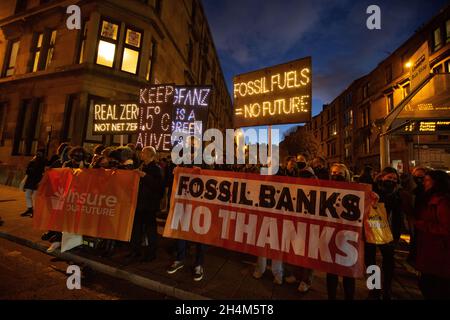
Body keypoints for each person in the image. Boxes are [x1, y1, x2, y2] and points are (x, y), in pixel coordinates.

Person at [365, 167, 404, 300]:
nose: (392, 181)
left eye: (394, 179)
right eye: (389, 178)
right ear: (382, 177)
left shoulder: (397, 195)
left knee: (388, 262)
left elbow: (398, 218)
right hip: (370, 231)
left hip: (387, 234)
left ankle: (387, 289)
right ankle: (374, 289)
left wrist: (396, 237)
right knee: (371, 262)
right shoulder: (370, 190)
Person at [415, 170, 450, 299]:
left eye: (427, 180)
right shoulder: (429, 198)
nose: (424, 182)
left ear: (437, 183)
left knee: (434, 287)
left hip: (439, 253)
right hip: (431, 251)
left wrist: (422, 225)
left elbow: (446, 228)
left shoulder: (442, 202)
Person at [127, 146, 163, 263]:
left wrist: (144, 176)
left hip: (149, 205)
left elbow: (158, 186)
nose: (141, 154)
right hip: (139, 203)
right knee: (136, 229)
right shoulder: (142, 166)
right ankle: (135, 250)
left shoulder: (157, 169)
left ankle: (151, 253)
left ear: (149, 155)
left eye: (143, 153)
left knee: (150, 230)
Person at [326, 163, 356, 300]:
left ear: (346, 176)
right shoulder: (325, 189)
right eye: (333, 173)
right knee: (331, 272)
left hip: (349, 237)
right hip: (331, 234)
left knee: (348, 273)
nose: (336, 175)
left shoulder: (356, 191)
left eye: (340, 174)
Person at [20, 149, 46, 218]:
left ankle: (35, 211)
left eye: (40, 153)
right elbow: (27, 172)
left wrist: (41, 182)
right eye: (37, 153)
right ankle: (30, 209)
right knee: (27, 195)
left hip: (37, 181)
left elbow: (44, 173)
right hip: (30, 181)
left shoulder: (43, 162)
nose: (38, 154)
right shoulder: (32, 161)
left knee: (35, 197)